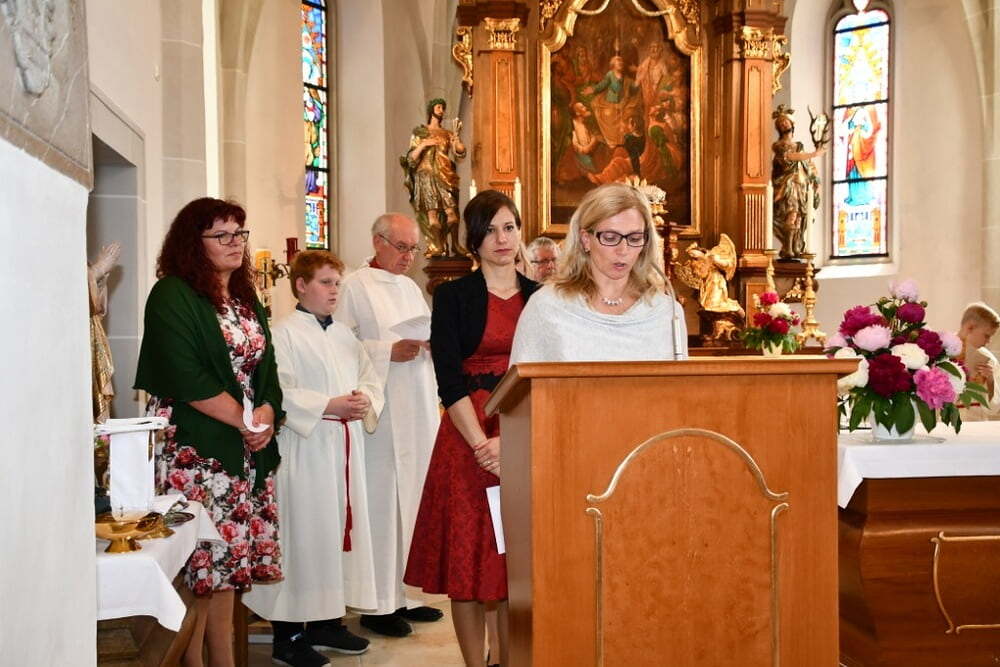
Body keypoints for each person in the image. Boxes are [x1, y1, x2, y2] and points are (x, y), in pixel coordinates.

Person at [134, 198, 285, 667]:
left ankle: (224, 659)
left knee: (227, 569)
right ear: (192, 243)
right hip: (196, 452)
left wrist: (266, 415)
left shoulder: (244, 297)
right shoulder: (172, 295)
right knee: (199, 571)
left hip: (243, 450)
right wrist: (247, 421)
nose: (235, 243)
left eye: (239, 233)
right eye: (222, 235)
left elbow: (267, 371)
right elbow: (185, 376)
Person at [405, 190, 540, 667]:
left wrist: (513, 440)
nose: (501, 239)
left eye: (509, 227)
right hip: (466, 439)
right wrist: (483, 444)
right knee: (467, 562)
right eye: (490, 230)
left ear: (520, 232)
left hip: (524, 430)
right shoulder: (453, 296)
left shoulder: (541, 298)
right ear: (473, 240)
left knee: (511, 562)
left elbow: (547, 374)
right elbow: (448, 379)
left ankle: (507, 658)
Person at [242, 250, 382, 667]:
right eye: (325, 282)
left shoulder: (344, 335)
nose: (334, 290)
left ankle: (326, 622)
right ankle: (288, 635)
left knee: (335, 533)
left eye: (337, 283)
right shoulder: (282, 333)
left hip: (343, 447)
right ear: (301, 286)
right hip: (304, 449)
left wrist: (365, 398)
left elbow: (370, 378)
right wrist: (328, 404)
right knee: (303, 537)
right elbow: (276, 390)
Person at [333, 214, 444, 637]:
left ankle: (406, 595)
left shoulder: (411, 288)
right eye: (401, 247)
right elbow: (338, 345)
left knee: (412, 499)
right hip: (379, 418)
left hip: (415, 406)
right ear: (378, 241)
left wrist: (431, 343)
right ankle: (377, 605)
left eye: (414, 249)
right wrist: (386, 351)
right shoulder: (354, 286)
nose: (409, 256)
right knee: (381, 506)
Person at [510, 182, 688, 363]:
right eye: (610, 238)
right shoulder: (546, 306)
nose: (623, 250)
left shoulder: (666, 312)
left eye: (635, 238)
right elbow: (522, 380)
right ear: (585, 239)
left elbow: (681, 380)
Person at [403, 98, 467, 256]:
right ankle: (437, 246)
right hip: (426, 175)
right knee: (433, 219)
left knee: (452, 216)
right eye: (439, 107)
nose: (441, 110)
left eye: (443, 108)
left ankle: (455, 245)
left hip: (445, 175)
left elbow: (460, 153)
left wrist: (457, 141)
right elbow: (411, 158)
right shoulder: (420, 133)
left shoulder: (447, 133)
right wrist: (423, 144)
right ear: (431, 109)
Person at [771, 105, 826, 260]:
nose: (783, 124)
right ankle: (788, 248)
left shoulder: (799, 146)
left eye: (786, 121)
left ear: (792, 123)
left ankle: (796, 246)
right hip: (788, 185)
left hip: (801, 185)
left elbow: (807, 165)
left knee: (800, 217)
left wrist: (815, 180)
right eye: (780, 123)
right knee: (791, 213)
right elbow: (790, 157)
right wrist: (814, 154)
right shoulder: (779, 145)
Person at [958, 302, 1000, 421]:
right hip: (945, 424)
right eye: (986, 335)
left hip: (976, 423)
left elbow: (993, 408)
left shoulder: (989, 360)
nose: (989, 341)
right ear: (970, 327)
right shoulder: (941, 352)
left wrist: (990, 381)